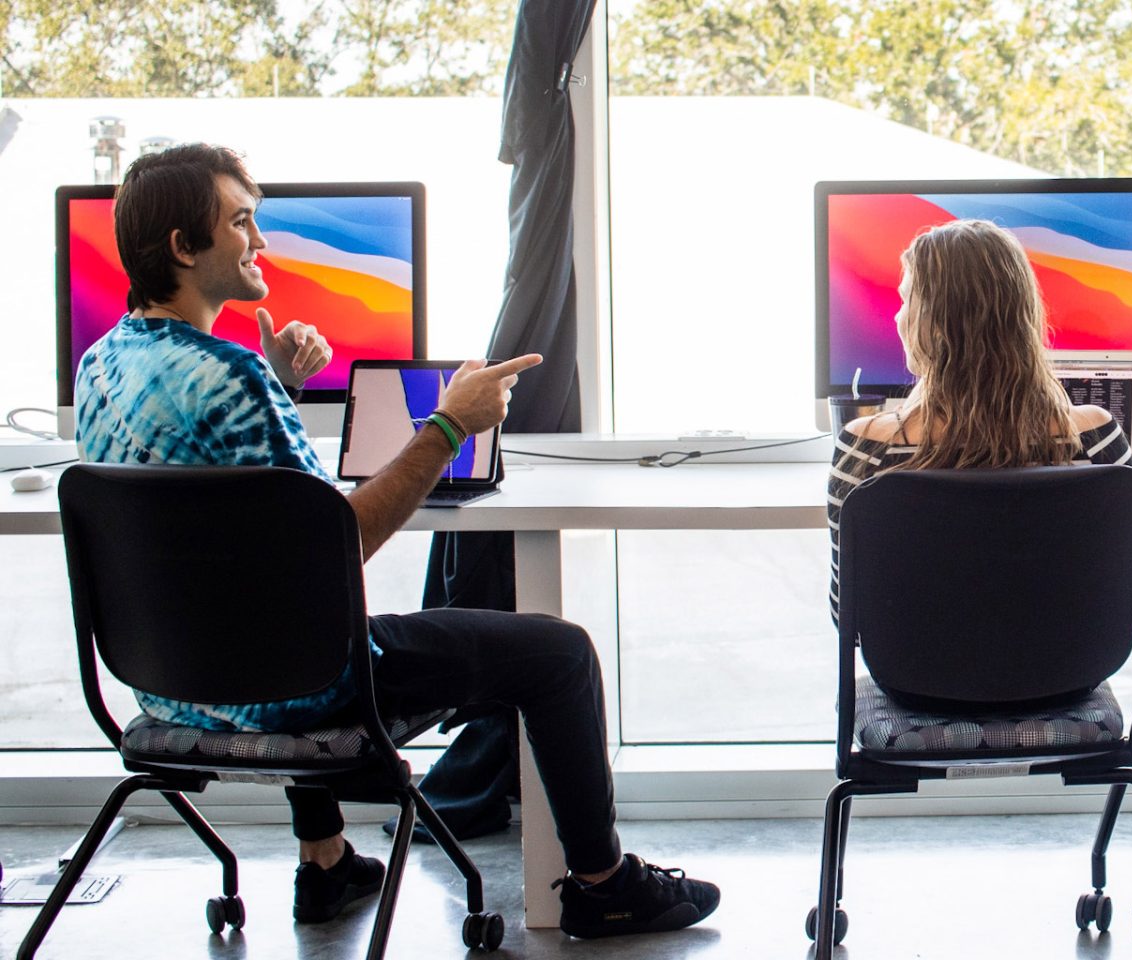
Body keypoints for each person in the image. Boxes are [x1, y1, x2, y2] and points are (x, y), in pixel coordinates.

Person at [74, 143, 719, 939]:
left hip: (170, 684)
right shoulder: (231, 379)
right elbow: (334, 548)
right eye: (242, 222)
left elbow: (232, 537)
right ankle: (603, 883)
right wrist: (450, 423)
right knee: (558, 653)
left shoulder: (101, 366)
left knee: (264, 614)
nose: (262, 242)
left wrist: (275, 382)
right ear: (182, 247)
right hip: (286, 690)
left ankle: (327, 864)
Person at [826, 219, 1132, 703]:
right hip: (1069, 683)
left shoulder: (868, 448)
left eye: (907, 299)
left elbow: (848, 613)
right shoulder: (1095, 435)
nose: (896, 317)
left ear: (933, 324)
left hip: (917, 685)